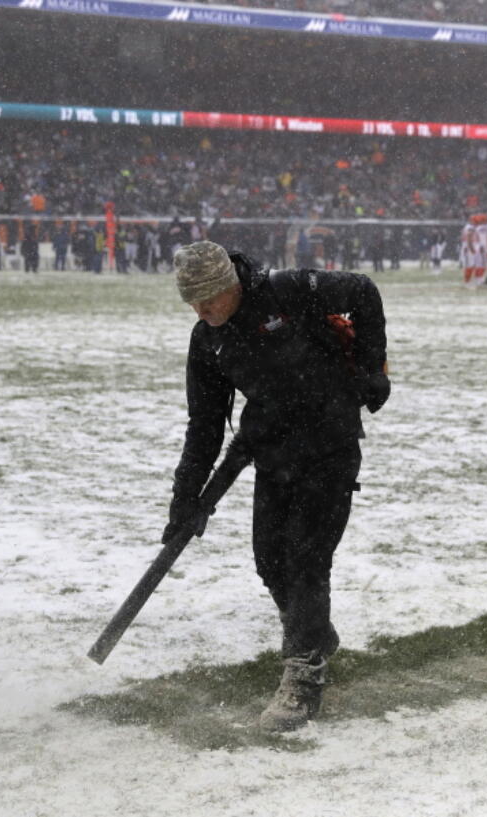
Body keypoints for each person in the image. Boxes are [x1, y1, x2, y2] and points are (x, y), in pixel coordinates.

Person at [165, 241, 389, 732]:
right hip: (273, 453)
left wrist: (372, 368)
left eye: (209, 299)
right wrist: (184, 500)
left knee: (306, 558)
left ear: (231, 286)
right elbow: (204, 426)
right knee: (269, 560)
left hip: (330, 443)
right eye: (193, 304)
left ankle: (303, 677)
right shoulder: (208, 341)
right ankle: (313, 635)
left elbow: (364, 293)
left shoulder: (286, 291)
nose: (202, 311)